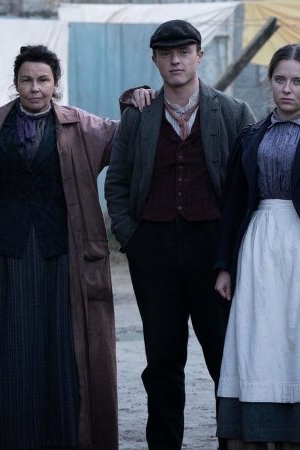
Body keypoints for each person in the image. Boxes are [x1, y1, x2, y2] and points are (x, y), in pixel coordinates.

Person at [0, 44, 119, 449]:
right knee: (3, 347)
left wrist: (136, 99)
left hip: (60, 258)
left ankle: (59, 436)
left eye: (43, 80)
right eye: (27, 80)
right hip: (2, 258)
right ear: (15, 83)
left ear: (56, 84)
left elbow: (121, 136)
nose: (35, 88)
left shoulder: (79, 126)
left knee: (60, 347)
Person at [105, 20, 255, 449]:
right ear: (154, 60)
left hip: (212, 250)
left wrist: (232, 253)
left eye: (184, 52)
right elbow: (117, 182)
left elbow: (249, 187)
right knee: (162, 361)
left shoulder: (233, 112)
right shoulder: (138, 115)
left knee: (224, 357)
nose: (176, 61)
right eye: (167, 54)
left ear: (199, 56)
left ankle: (233, 442)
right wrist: (132, 238)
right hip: (152, 250)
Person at [214, 43, 300, 449]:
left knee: (294, 331)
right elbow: (233, 203)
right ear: (270, 83)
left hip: (297, 243)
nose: (288, 89)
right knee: (260, 334)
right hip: (259, 245)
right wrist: (224, 266)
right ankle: (259, 432)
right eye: (280, 79)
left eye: (297, 81)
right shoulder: (252, 136)